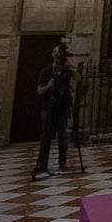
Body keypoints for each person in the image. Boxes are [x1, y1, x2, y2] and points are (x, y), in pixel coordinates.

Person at [33, 43, 78, 175]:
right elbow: (39, 91)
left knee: (63, 136)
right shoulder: (46, 71)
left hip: (62, 107)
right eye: (57, 54)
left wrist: (72, 68)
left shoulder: (67, 70)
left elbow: (79, 78)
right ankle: (42, 163)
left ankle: (62, 162)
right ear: (53, 55)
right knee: (46, 136)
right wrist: (49, 86)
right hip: (48, 108)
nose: (59, 58)